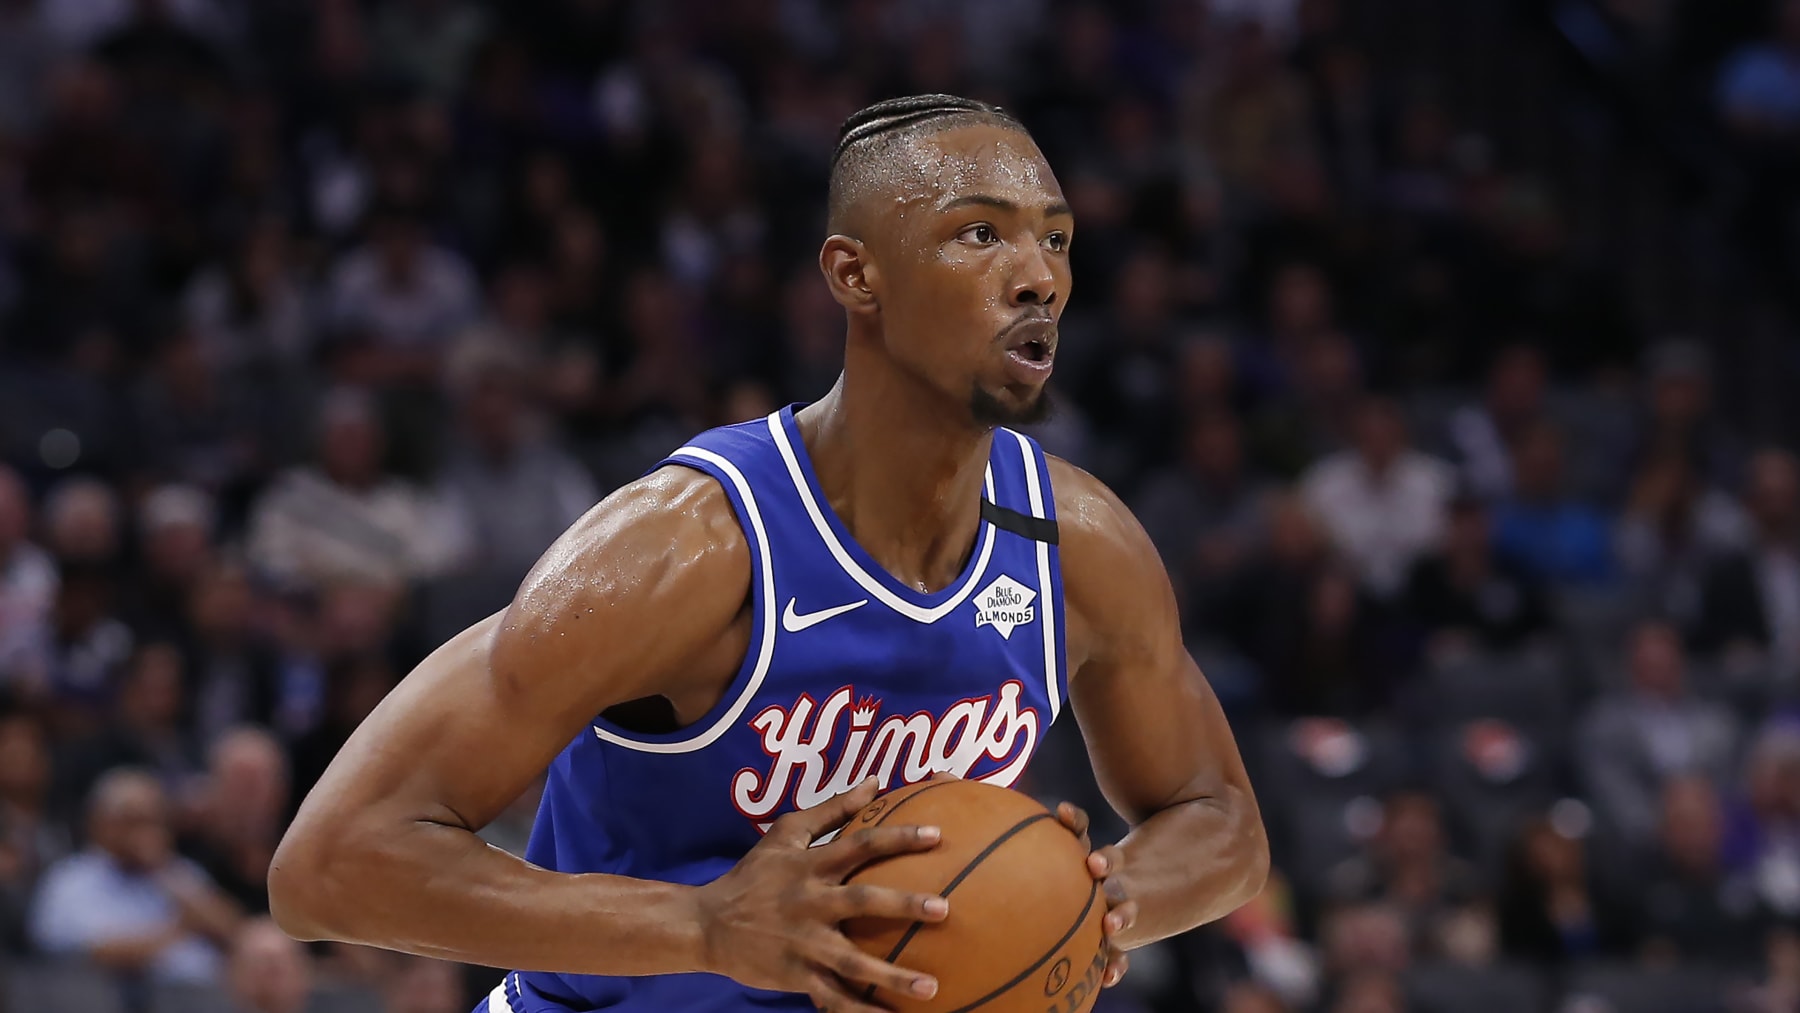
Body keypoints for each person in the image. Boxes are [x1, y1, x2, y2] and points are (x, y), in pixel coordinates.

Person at [269, 94, 1269, 1013]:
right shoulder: (684, 547)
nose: (1039, 274)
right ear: (854, 273)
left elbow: (1220, 820)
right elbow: (332, 862)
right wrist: (701, 926)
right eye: (980, 233)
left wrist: (1092, 902)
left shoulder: (1076, 543)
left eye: (1055, 238)